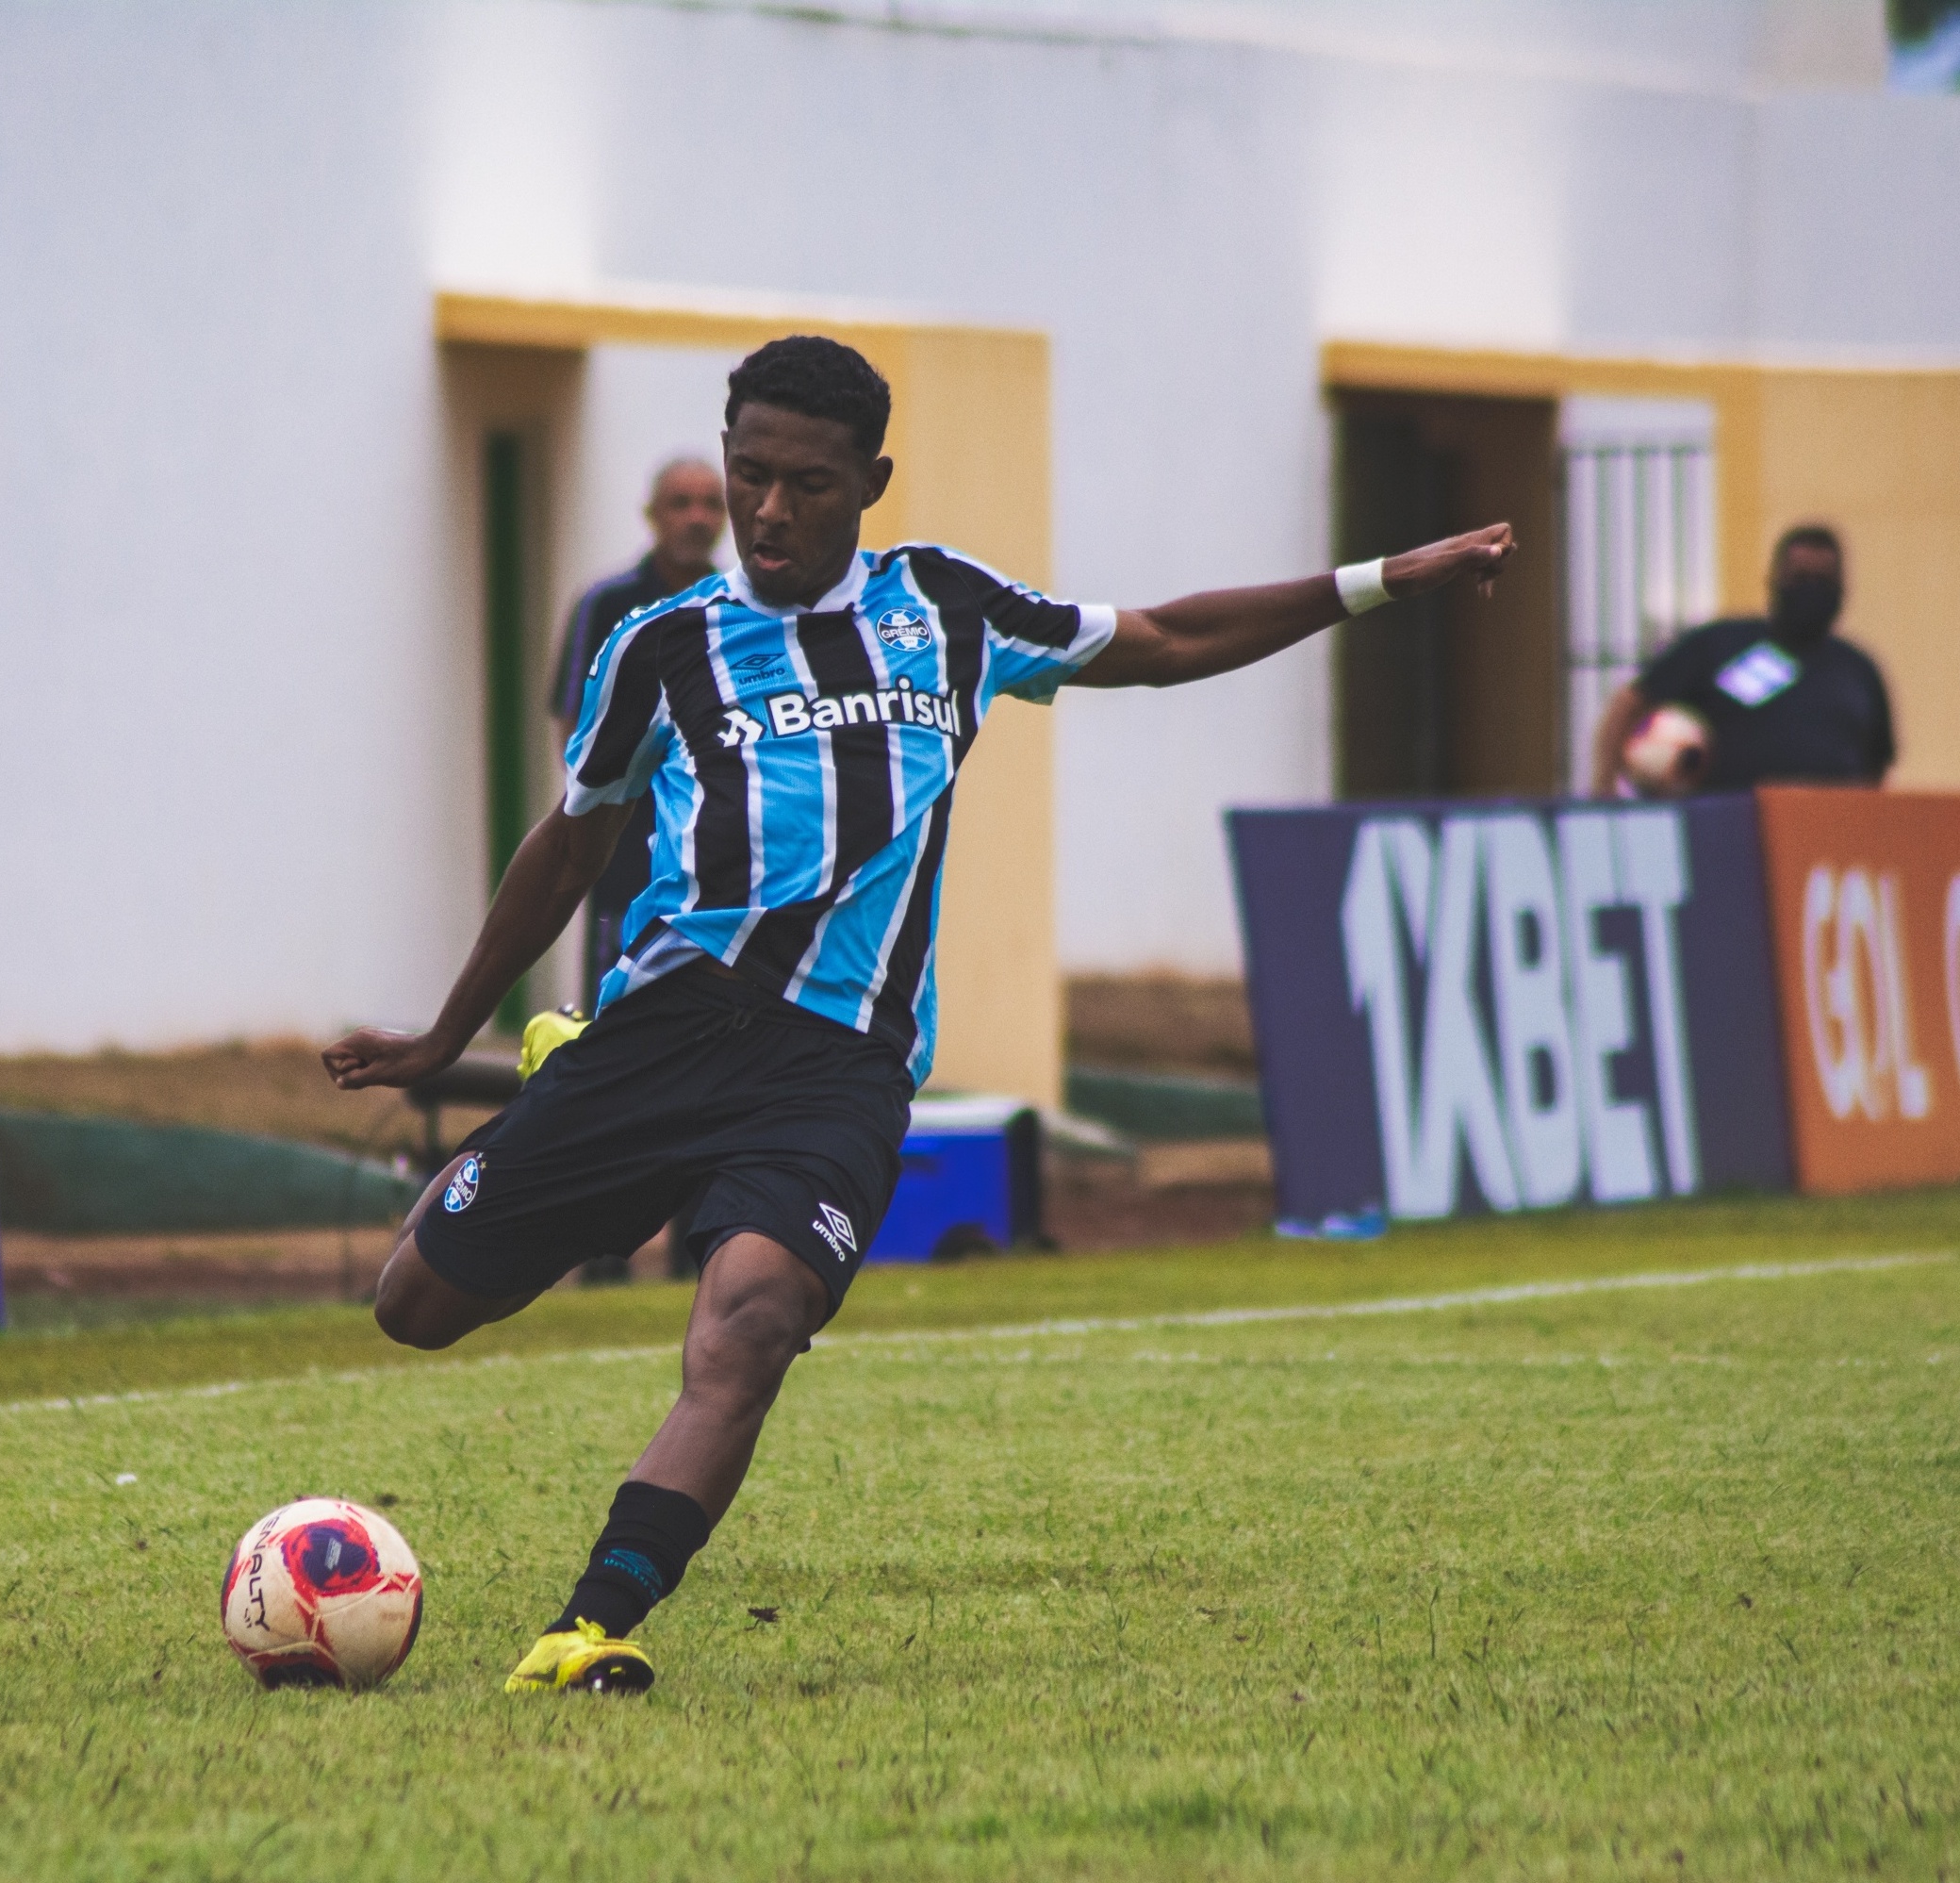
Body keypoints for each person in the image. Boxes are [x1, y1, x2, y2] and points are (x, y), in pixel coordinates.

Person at [322, 335, 1513, 1697]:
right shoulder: (657, 650)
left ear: (869, 481)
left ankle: (595, 1621)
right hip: (658, 1032)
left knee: (749, 1319)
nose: (770, 511)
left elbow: (1166, 637)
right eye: (748, 476)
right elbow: (569, 845)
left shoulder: (945, 608)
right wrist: (441, 1035)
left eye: (807, 484)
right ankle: (561, 1075)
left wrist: (1380, 582)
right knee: (411, 1306)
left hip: (832, 1068)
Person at [551, 456, 729, 1013]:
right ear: (652, 515)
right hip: (626, 836)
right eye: (681, 503)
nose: (697, 518)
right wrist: (602, 812)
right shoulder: (606, 604)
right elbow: (571, 719)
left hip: (719, 837)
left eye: (711, 503)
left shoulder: (740, 605)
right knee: (614, 996)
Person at [1589, 524, 1893, 796]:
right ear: (1774, 580)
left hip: (1824, 842)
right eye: (1800, 578)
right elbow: (1630, 703)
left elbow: (1877, 766)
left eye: (1823, 582)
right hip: (1731, 830)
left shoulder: (1859, 670)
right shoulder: (1721, 645)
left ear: (1842, 589)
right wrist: (1604, 784)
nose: (1811, 591)